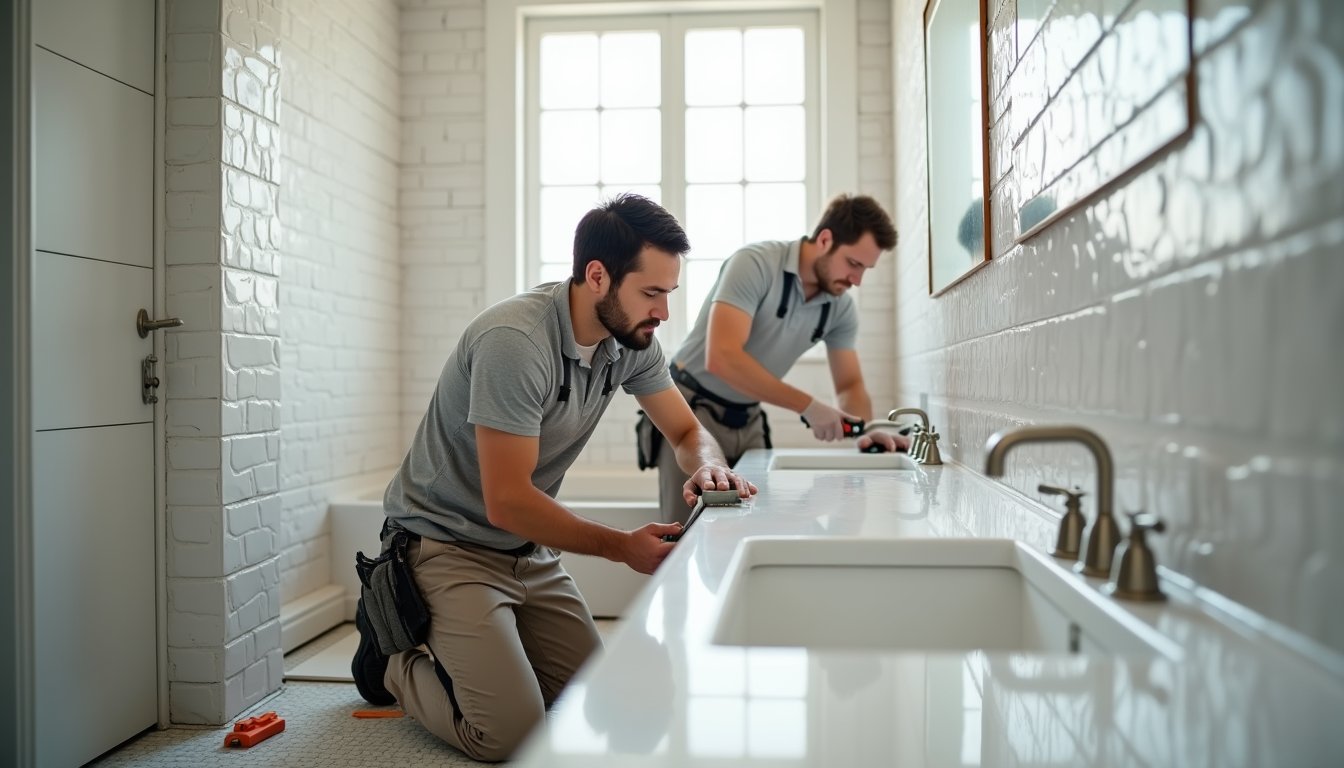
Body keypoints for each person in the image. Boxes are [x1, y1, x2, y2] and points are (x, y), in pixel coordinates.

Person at [353, 193, 757, 761]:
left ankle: (480, 648)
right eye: (652, 293)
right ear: (597, 276)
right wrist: (621, 548)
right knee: (509, 734)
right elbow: (509, 501)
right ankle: (393, 658)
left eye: (670, 293)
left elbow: (689, 435)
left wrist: (711, 464)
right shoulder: (514, 343)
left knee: (596, 696)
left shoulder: (632, 343)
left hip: (527, 552)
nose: (664, 311)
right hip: (447, 547)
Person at [650, 194, 905, 522]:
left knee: (754, 524)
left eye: (865, 269)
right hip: (692, 411)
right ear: (825, 239)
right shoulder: (754, 264)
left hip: (749, 417)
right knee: (688, 531)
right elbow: (723, 357)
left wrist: (865, 430)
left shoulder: (840, 307)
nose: (857, 280)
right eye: (854, 264)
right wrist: (809, 407)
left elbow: (850, 383)